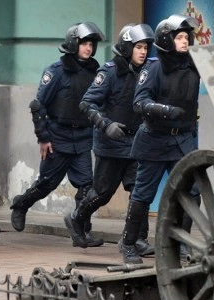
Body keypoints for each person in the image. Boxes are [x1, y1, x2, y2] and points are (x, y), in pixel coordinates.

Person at [10, 22, 104, 247]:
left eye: (91, 44)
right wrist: (43, 138)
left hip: (82, 138)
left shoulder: (95, 72)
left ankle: (81, 231)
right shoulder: (56, 71)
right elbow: (38, 106)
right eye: (84, 44)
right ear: (73, 44)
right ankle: (21, 205)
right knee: (46, 184)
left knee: (86, 187)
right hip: (57, 137)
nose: (88, 49)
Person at [66, 23, 155, 256]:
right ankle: (76, 218)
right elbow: (87, 103)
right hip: (111, 143)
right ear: (127, 48)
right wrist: (106, 125)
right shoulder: (109, 72)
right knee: (103, 193)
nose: (143, 52)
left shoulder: (147, 72)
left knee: (140, 192)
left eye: (146, 47)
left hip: (137, 142)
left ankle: (137, 239)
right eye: (138, 47)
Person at [118, 15, 200, 264]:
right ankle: (129, 243)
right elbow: (139, 102)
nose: (185, 42)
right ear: (167, 39)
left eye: (187, 37)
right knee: (143, 193)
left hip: (183, 140)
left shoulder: (194, 65)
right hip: (155, 138)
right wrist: (164, 110)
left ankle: (181, 243)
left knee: (193, 192)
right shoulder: (153, 67)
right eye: (180, 37)